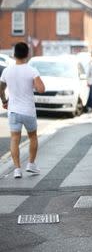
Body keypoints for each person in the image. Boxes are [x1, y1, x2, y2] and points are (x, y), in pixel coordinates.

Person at [0, 42, 45, 178]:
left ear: (14, 54)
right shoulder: (32, 70)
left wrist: (4, 101)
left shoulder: (7, 71)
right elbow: (41, 89)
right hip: (28, 111)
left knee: (14, 139)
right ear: (27, 54)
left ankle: (17, 169)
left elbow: (0, 88)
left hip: (13, 111)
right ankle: (31, 164)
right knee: (32, 137)